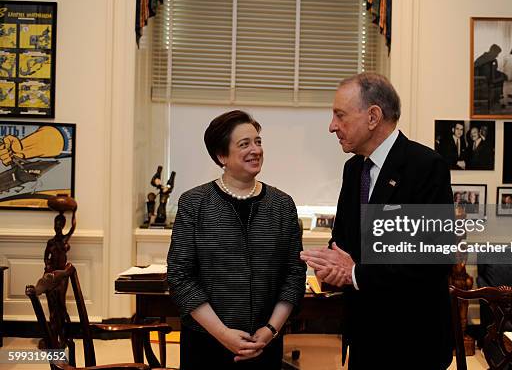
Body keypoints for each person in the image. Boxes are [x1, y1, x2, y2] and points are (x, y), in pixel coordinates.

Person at [300, 73, 454, 370]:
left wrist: (355, 273)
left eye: (340, 115)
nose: (332, 126)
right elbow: (343, 240)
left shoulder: (425, 167)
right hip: (363, 336)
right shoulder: (354, 169)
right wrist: (330, 265)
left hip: (412, 343)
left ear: (373, 116)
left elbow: (432, 259)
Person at [167, 110, 306, 370]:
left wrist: (271, 330)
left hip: (264, 342)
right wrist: (222, 333)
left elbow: (294, 274)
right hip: (206, 342)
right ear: (222, 156)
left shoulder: (282, 204)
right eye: (244, 144)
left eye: (258, 141)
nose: (256, 149)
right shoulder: (194, 203)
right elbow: (180, 276)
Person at [474, 44, 505, 112]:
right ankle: (494, 99)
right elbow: (476, 69)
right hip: (482, 80)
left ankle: (496, 97)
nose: (497, 55)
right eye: (497, 53)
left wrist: (501, 73)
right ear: (492, 51)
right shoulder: (484, 59)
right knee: (500, 78)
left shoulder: (489, 58)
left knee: (502, 76)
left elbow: (492, 70)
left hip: (487, 78)